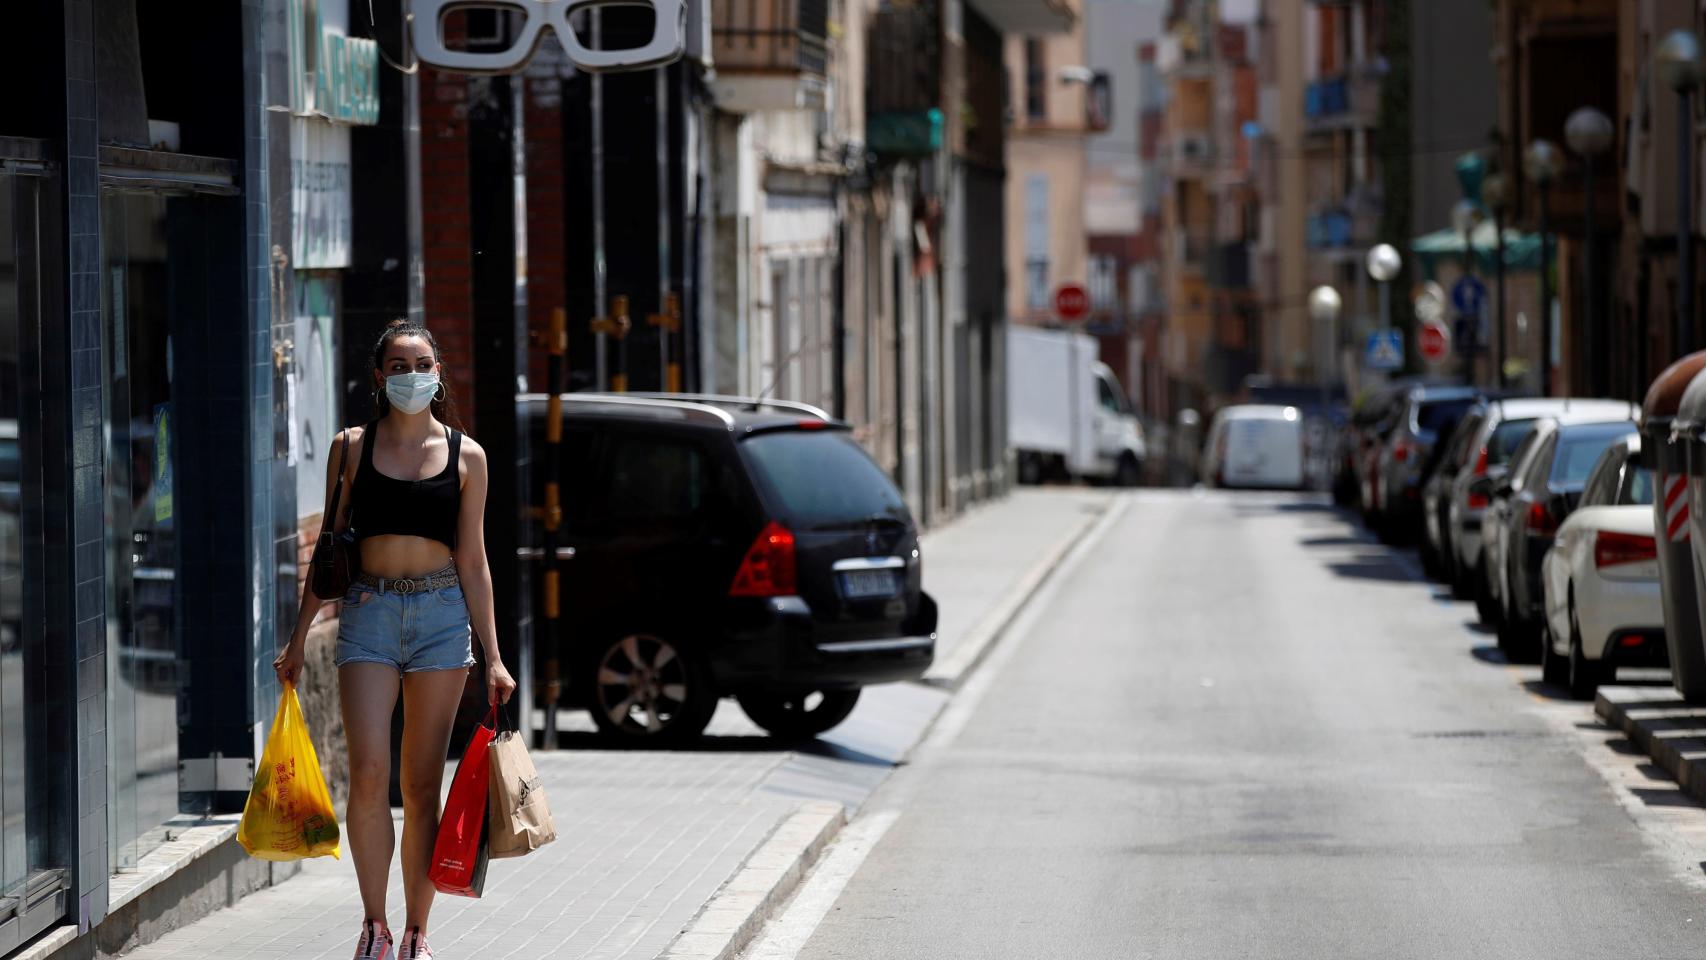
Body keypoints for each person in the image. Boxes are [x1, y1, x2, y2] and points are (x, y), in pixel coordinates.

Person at [274, 319, 517, 960]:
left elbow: (474, 561)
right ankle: (374, 926)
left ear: (439, 373)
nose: (413, 375)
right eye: (399, 365)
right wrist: (298, 638)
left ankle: (417, 932)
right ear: (379, 377)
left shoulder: (468, 456)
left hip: (441, 619)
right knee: (369, 772)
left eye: (422, 363)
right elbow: (327, 551)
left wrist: (493, 655)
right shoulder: (351, 447)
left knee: (419, 785)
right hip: (368, 613)